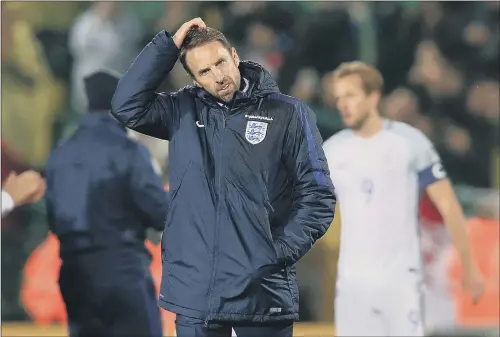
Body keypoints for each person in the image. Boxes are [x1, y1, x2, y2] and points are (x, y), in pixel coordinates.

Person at [111, 18, 336, 337]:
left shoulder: (288, 113)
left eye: (220, 62)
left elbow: (318, 196)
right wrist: (168, 45)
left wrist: (276, 253)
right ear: (193, 79)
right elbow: (126, 105)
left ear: (234, 55)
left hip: (261, 291)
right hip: (195, 291)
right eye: (204, 71)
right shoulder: (181, 111)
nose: (218, 76)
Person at [322, 61, 485, 336]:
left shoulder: (414, 144)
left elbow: (449, 204)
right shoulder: (335, 149)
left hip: (412, 285)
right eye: (340, 98)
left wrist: (468, 266)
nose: (344, 105)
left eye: (351, 96)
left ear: (373, 98)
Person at [45, 70, 168, 337]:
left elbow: (54, 219)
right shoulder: (128, 151)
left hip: (75, 274)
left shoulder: (60, 153)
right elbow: (160, 212)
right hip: (122, 271)